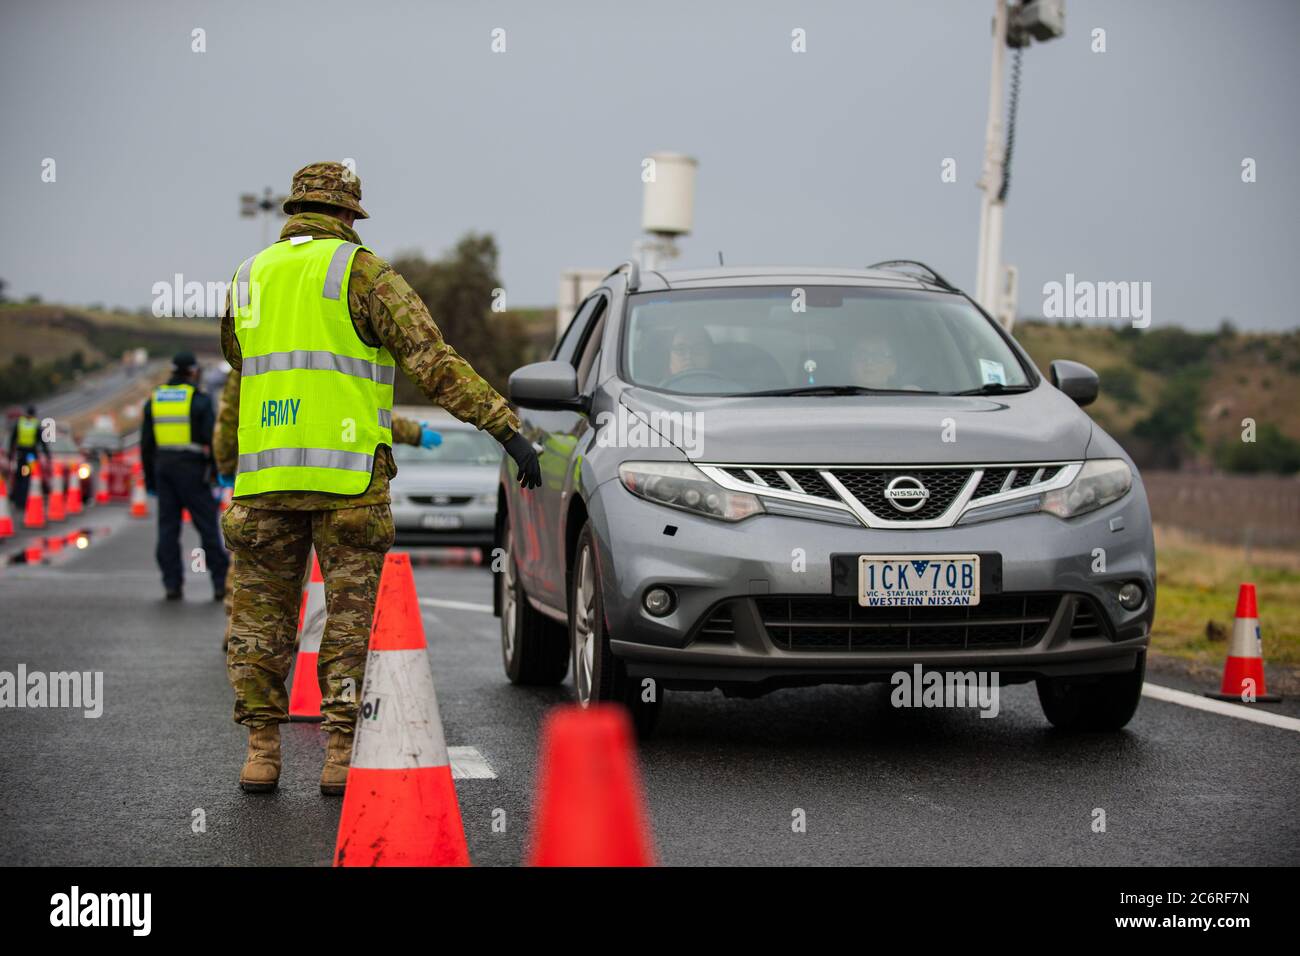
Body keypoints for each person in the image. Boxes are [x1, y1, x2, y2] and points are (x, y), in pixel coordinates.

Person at [217, 161, 541, 796]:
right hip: (348, 484)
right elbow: (433, 361)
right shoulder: (359, 272)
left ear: (292, 212)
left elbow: (239, 359)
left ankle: (261, 752)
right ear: (347, 215)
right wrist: (505, 429)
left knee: (259, 621)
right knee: (347, 622)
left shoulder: (247, 276)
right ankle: (339, 752)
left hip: (265, 481)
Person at [140, 352, 230, 601]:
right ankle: (219, 583)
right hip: (192, 470)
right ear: (192, 371)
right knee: (207, 527)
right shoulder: (197, 400)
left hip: (163, 469)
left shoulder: (155, 399)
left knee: (168, 529)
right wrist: (215, 471)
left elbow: (146, 445)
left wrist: (150, 480)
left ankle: (172, 584)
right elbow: (213, 439)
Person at [7, 404, 51, 512]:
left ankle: (18, 500)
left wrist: (10, 453)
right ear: (34, 414)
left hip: (20, 453)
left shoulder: (19, 423)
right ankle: (27, 499)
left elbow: (13, 439)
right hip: (31, 455)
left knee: (20, 476)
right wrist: (47, 455)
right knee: (31, 476)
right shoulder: (35, 425)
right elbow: (43, 442)